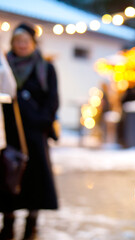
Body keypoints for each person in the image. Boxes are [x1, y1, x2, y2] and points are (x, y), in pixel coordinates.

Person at [0, 23, 59, 240]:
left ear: (34, 43)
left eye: (26, 41)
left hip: (35, 134)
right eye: (17, 41)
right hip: (9, 132)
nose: (21, 45)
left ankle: (31, 224)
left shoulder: (45, 68)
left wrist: (41, 121)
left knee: (36, 179)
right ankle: (7, 222)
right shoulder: (4, 66)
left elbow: (52, 100)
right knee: (8, 176)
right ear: (12, 43)